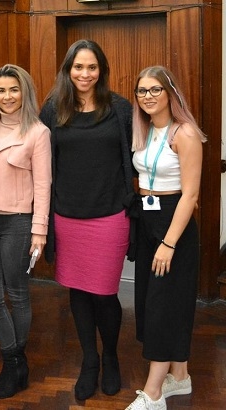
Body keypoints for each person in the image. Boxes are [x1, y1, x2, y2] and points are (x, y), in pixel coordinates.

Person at [39, 39, 135, 401]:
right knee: (78, 292)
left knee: (106, 293)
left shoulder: (120, 108)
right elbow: (41, 161)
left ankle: (110, 358)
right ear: (67, 70)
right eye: (78, 67)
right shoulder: (53, 110)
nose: (84, 73)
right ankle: (89, 361)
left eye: (91, 67)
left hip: (110, 215)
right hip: (68, 216)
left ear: (101, 70)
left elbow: (138, 151)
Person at [125, 66, 205, 410]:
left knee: (162, 306)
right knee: (152, 300)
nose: (148, 96)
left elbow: (190, 195)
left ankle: (154, 394)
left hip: (174, 224)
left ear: (170, 92)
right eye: (142, 91)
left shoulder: (183, 133)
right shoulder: (144, 129)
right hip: (147, 217)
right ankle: (180, 376)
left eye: (155, 89)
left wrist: (169, 243)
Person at [0, 64, 51, 399]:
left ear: (25, 92)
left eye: (13, 90)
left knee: (17, 293)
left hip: (18, 221)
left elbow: (43, 185)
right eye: (1, 90)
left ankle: (12, 364)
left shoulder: (37, 132)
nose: (7, 96)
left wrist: (39, 231)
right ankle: (15, 360)